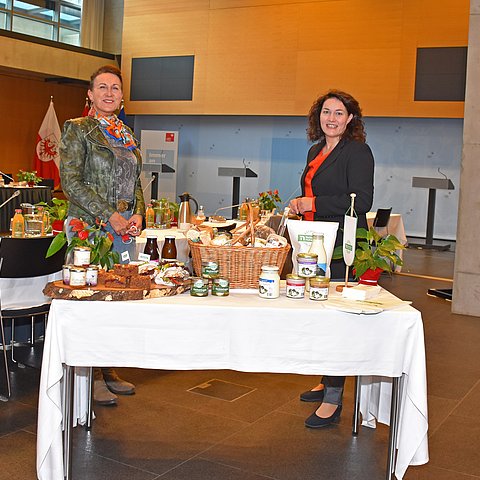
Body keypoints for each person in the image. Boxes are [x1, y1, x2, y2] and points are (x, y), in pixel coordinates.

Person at [60, 64, 146, 406]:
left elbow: (136, 181)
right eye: (102, 87)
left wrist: (138, 212)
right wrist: (109, 215)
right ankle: (88, 374)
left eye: (115, 88)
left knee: (114, 300)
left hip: (125, 225)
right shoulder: (78, 129)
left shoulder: (125, 133)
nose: (109, 93)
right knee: (90, 300)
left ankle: (107, 369)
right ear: (90, 94)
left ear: (122, 96)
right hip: (91, 225)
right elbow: (72, 183)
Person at [289, 90, 374, 428]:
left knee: (339, 318)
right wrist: (302, 202)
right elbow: (313, 191)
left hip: (344, 245)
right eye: (327, 112)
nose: (332, 118)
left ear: (350, 119)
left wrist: (314, 204)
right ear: (318, 116)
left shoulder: (358, 152)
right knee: (322, 312)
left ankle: (334, 398)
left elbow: (362, 201)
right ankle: (328, 378)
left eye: (340, 113)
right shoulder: (316, 150)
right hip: (317, 241)